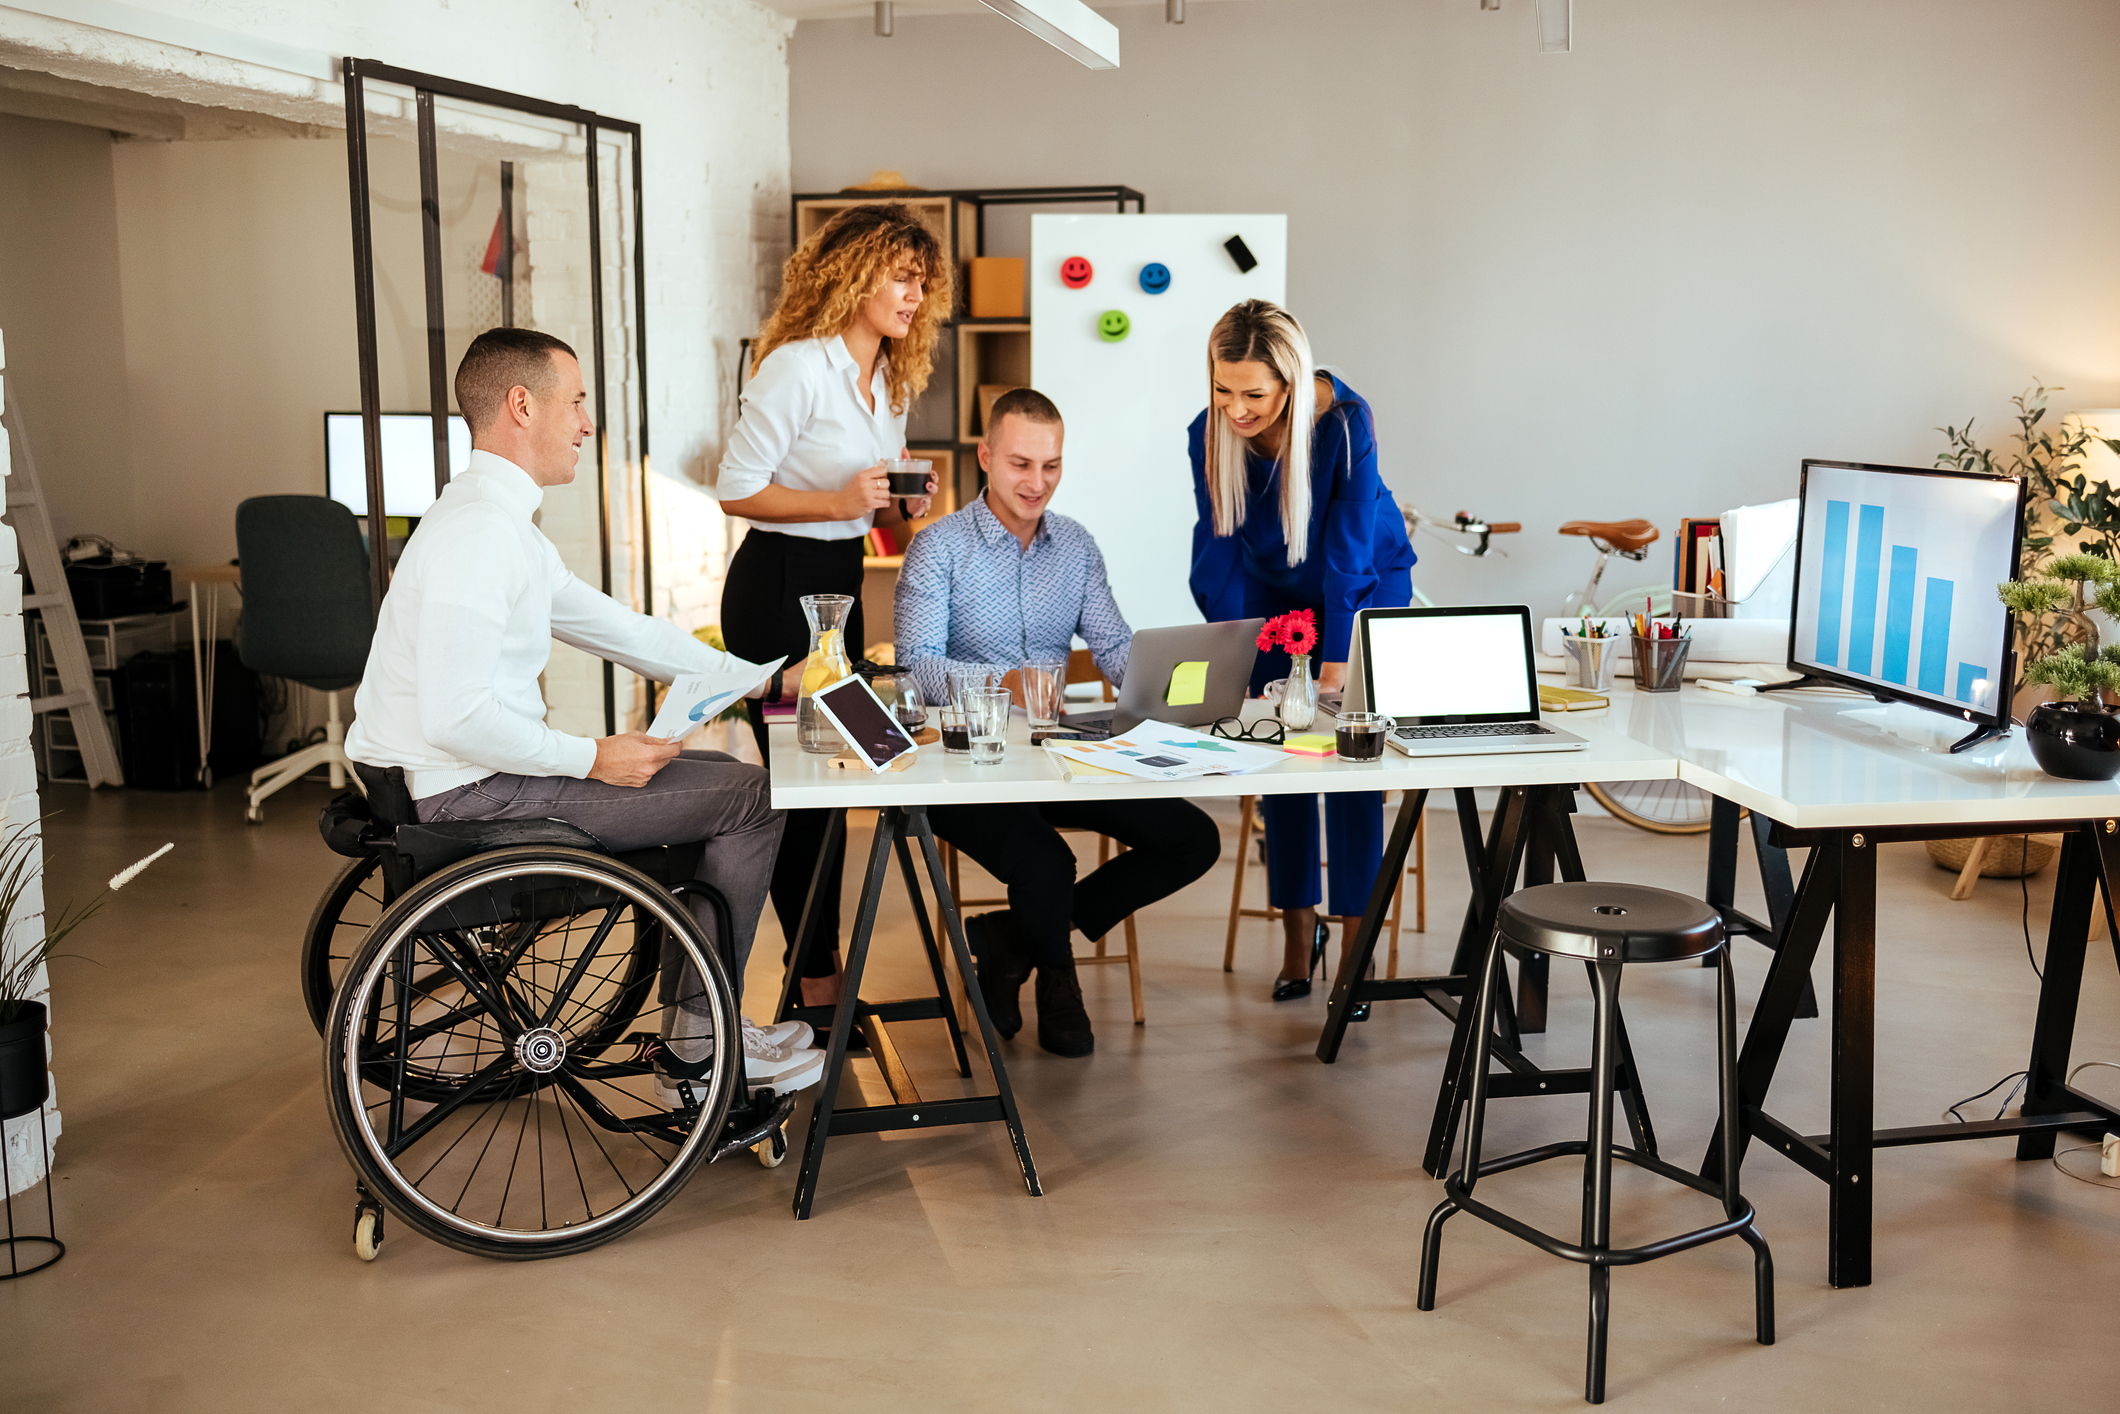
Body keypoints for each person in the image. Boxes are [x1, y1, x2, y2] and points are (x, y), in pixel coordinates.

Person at [346, 326, 824, 1103]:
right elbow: (456, 717)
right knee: (751, 797)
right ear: (521, 405)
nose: (586, 423)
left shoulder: (494, 524)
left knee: (725, 776)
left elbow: (624, 631)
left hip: (460, 779)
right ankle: (703, 1044)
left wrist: (768, 679)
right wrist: (592, 757)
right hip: (470, 793)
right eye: (576, 402)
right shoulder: (479, 537)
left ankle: (702, 1024)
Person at [896, 388, 1221, 1056]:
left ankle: (1009, 942)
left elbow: (1115, 650)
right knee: (1047, 861)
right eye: (1020, 464)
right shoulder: (938, 549)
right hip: (963, 762)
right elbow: (916, 667)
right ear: (985, 456)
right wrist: (999, 685)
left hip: (1055, 754)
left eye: (1051, 466)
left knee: (1194, 839)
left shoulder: (1075, 547)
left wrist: (1183, 684)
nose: (1036, 482)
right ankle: (1059, 982)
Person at [717, 202, 948, 1008]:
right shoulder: (795, 367)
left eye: (923, 281)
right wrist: (841, 499)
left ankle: (816, 971)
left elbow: (860, 507)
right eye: (901, 276)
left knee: (838, 784)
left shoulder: (888, 378)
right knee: (810, 793)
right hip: (778, 590)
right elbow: (736, 490)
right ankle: (816, 977)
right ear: (854, 275)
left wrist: (898, 507)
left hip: (838, 581)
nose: (915, 295)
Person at [1187, 300, 1416, 1003]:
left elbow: (1348, 549)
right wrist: (1236, 655)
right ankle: (1296, 930)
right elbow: (1218, 554)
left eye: (1254, 394)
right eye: (1223, 390)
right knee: (1278, 753)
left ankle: (1356, 942)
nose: (1236, 410)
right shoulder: (1207, 432)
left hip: (1362, 586)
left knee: (1351, 763)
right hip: (1271, 592)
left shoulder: (1345, 425)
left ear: (1290, 381)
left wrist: (1340, 658)